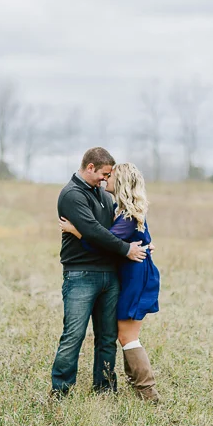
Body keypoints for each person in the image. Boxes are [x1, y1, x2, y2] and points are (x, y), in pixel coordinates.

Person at [60, 162, 161, 402]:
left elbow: (105, 242)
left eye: (111, 176)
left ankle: (148, 392)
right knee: (124, 335)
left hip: (134, 278)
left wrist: (76, 232)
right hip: (129, 274)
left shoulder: (127, 214)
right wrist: (146, 243)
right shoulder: (121, 209)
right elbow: (133, 239)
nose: (106, 180)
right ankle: (139, 387)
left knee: (127, 336)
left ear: (122, 181)